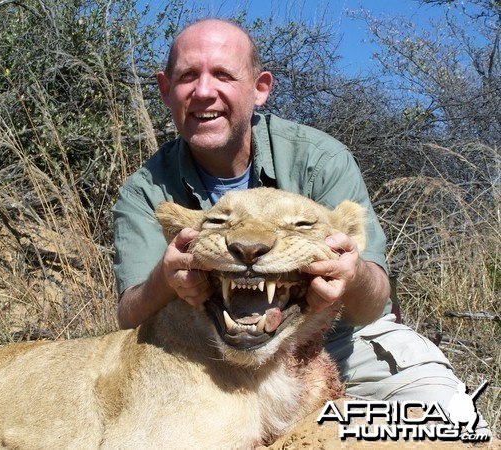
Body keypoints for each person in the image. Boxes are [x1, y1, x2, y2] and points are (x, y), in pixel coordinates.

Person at [111, 18, 476, 424]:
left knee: (450, 423)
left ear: (259, 87)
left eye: (223, 75)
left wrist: (351, 275)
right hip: (209, 348)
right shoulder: (144, 191)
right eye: (188, 76)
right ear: (165, 89)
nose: (203, 91)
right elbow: (130, 317)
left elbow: (373, 306)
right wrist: (166, 277)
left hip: (343, 343)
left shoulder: (320, 160)